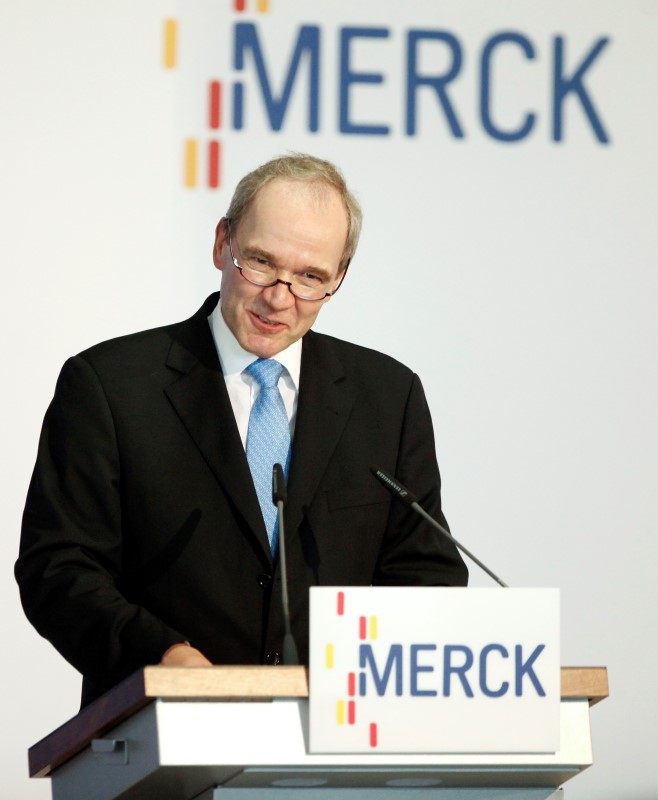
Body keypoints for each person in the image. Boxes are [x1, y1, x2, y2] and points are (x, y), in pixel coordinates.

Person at [16, 153, 467, 708]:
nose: (280, 297)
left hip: (336, 744)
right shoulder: (111, 387)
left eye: (310, 277)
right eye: (260, 262)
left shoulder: (387, 397)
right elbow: (58, 570)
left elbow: (426, 575)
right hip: (161, 743)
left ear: (339, 278)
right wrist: (162, 656)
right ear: (221, 244)